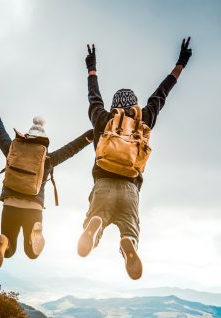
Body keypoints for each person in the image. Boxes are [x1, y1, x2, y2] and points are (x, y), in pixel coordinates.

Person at [77, 37, 193, 280]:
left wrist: (92, 67)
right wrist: (180, 63)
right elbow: (161, 94)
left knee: (96, 215)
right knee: (129, 229)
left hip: (103, 186)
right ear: (135, 105)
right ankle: (127, 243)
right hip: (130, 188)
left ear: (114, 106)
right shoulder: (144, 120)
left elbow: (93, 96)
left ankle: (96, 223)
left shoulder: (103, 118)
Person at [0, 88, 93, 267]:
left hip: (10, 203)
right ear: (43, 142)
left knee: (9, 251)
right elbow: (72, 148)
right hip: (34, 207)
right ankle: (34, 234)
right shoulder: (47, 158)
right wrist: (93, 133)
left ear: (27, 137)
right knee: (31, 253)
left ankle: (2, 242)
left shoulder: (12, 149)